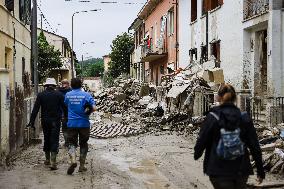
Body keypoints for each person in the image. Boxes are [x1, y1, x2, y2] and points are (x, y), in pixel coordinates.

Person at [194, 84, 265, 189]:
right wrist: (260, 170)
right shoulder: (244, 118)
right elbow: (254, 146)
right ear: (235, 98)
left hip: (218, 169)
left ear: (218, 97)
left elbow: (202, 140)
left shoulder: (213, 117)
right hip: (241, 169)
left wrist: (197, 154)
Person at [27, 78, 67, 170]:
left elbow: (35, 109)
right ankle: (53, 162)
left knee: (47, 138)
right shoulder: (59, 95)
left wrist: (31, 122)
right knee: (54, 139)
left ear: (45, 86)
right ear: (54, 85)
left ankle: (47, 160)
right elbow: (65, 108)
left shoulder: (41, 95)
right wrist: (66, 118)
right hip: (55, 122)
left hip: (45, 121)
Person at [64, 78, 95, 175]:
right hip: (84, 124)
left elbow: (66, 104)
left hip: (72, 123)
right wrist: (87, 111)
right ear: (81, 85)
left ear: (71, 85)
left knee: (71, 143)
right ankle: (82, 166)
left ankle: (73, 159)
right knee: (83, 143)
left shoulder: (68, 95)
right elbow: (94, 108)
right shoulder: (86, 95)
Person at [58, 79, 71, 146]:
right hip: (70, 113)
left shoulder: (58, 91)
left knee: (65, 128)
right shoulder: (71, 91)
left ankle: (67, 142)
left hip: (63, 113)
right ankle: (69, 142)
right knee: (69, 128)